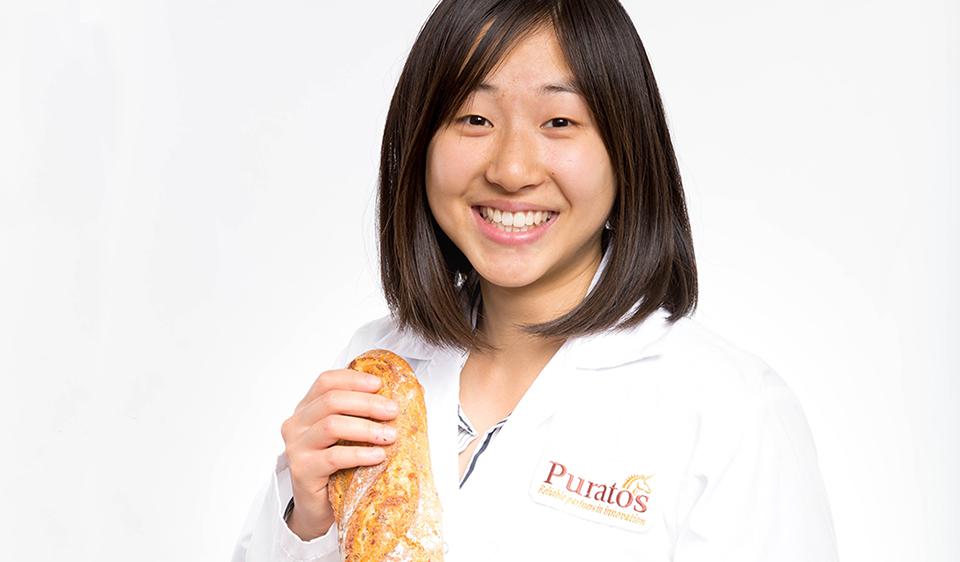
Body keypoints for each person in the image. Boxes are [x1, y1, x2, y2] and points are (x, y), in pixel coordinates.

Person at [232, 1, 839, 560]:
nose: (512, 169)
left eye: (558, 121)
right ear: (419, 143)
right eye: (474, 118)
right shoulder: (375, 372)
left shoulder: (730, 412)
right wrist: (306, 523)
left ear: (626, 150)